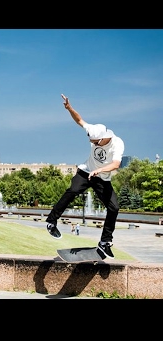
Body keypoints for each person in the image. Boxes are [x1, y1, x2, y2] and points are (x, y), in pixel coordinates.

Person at [46, 94, 125, 259]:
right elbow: (79, 120)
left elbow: (116, 164)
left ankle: (105, 242)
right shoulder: (94, 131)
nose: (94, 144)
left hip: (102, 178)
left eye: (96, 142)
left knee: (114, 207)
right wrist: (69, 108)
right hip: (85, 172)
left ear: (104, 138)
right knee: (73, 190)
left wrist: (100, 170)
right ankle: (51, 221)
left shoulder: (117, 143)